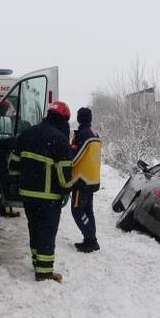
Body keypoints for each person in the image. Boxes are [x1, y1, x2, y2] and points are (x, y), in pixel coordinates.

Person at [7, 101, 73, 282]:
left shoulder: (27, 134)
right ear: (64, 119)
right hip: (49, 197)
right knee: (47, 232)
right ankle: (44, 273)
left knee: (34, 229)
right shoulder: (59, 139)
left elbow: (12, 165)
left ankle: (37, 262)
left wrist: (21, 180)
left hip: (27, 195)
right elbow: (64, 172)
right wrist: (67, 190)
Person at [70, 107, 102, 252]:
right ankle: (90, 238)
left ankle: (91, 240)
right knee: (88, 211)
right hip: (92, 179)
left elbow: (75, 157)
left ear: (79, 119)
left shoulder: (83, 134)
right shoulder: (95, 133)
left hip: (81, 179)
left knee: (77, 210)